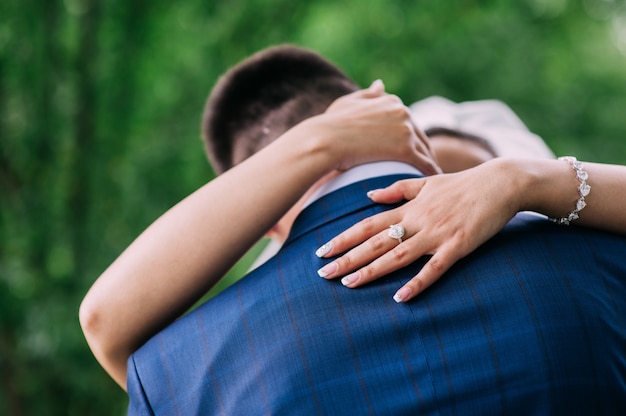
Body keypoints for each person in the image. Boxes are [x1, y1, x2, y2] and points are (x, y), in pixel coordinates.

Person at [80, 45, 626, 414]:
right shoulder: (594, 256)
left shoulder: (184, 374)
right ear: (391, 115)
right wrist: (529, 179)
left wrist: (320, 141)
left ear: (263, 223)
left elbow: (103, 320)